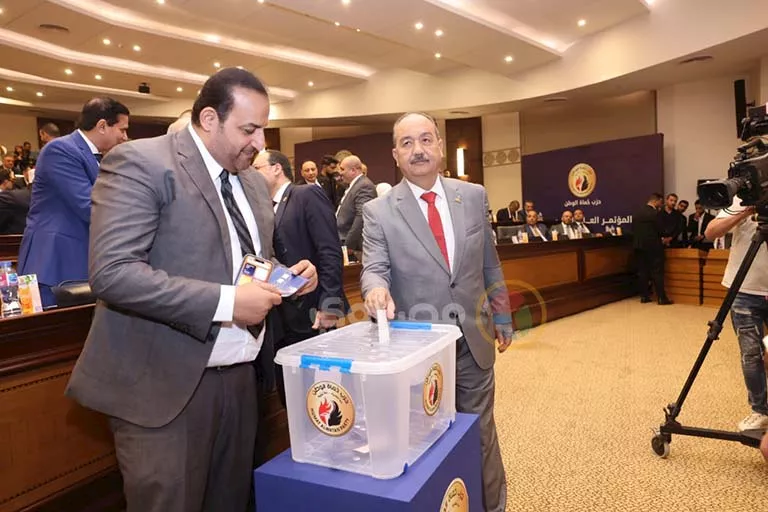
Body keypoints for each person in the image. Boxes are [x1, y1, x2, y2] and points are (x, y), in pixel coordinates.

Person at [65, 68, 318, 512]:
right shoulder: (142, 162)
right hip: (164, 388)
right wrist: (228, 303)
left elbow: (244, 262)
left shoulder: (252, 181)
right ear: (208, 119)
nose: (260, 143)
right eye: (249, 130)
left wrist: (287, 278)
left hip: (240, 381)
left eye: (263, 129)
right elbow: (113, 272)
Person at [361, 112, 513, 512]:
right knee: (427, 439)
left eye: (426, 139)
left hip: (474, 339)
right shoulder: (378, 211)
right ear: (395, 154)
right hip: (420, 349)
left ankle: (493, 506)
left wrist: (502, 316)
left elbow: (490, 263)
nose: (418, 150)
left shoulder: (474, 196)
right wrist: (375, 290)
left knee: (480, 431)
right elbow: (374, 267)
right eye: (407, 143)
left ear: (441, 147)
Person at [18, 96, 130, 307]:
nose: (124, 137)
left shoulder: (97, 156)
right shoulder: (60, 150)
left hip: (80, 256)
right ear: (102, 126)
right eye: (122, 130)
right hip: (55, 259)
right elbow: (90, 206)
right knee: (52, 325)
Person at [254, 149, 345, 405]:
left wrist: (330, 305)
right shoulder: (264, 207)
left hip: (312, 313)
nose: (251, 174)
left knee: (320, 395)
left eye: (256, 168)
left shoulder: (305, 194)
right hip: (281, 318)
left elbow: (329, 250)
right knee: (291, 397)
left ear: (276, 168)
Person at [705, 197, 768, 432]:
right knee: (751, 355)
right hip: (744, 291)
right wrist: (744, 213)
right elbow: (711, 232)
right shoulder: (745, 197)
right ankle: (760, 410)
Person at [632, 193, 672, 305]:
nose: (661, 204)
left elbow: (633, 229)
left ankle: (644, 296)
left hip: (639, 246)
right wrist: (667, 235)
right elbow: (661, 230)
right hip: (653, 247)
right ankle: (661, 298)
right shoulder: (655, 214)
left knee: (642, 271)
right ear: (656, 201)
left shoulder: (637, 213)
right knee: (657, 272)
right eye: (661, 202)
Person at [336, 154, 375, 262]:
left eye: (342, 169)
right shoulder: (354, 185)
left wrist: (349, 245)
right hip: (344, 241)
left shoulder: (364, 186)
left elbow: (361, 217)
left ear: (353, 170)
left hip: (352, 246)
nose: (340, 172)